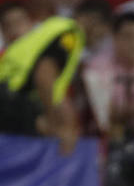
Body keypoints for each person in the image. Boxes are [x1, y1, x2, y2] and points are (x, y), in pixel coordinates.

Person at [0, 14, 83, 152]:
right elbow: (44, 77)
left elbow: (57, 93)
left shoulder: (45, 33)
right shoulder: (70, 33)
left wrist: (67, 125)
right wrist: (52, 123)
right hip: (9, 101)